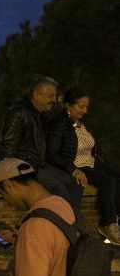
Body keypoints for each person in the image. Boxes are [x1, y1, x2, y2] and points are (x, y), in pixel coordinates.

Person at [0, 76, 83, 218]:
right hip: (26, 169)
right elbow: (7, 150)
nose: (54, 100)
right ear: (36, 95)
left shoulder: (39, 115)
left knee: (75, 184)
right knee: (58, 190)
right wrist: (15, 178)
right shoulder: (18, 113)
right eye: (50, 96)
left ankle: (74, 227)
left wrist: (72, 170)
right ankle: (64, 227)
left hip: (38, 165)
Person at [46, 87, 120, 245]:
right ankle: (107, 224)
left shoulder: (84, 123)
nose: (85, 110)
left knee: (117, 176)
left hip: (91, 162)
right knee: (106, 182)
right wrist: (73, 170)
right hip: (76, 164)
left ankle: (116, 219)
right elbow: (52, 154)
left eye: (86, 106)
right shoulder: (59, 124)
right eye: (81, 106)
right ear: (68, 105)